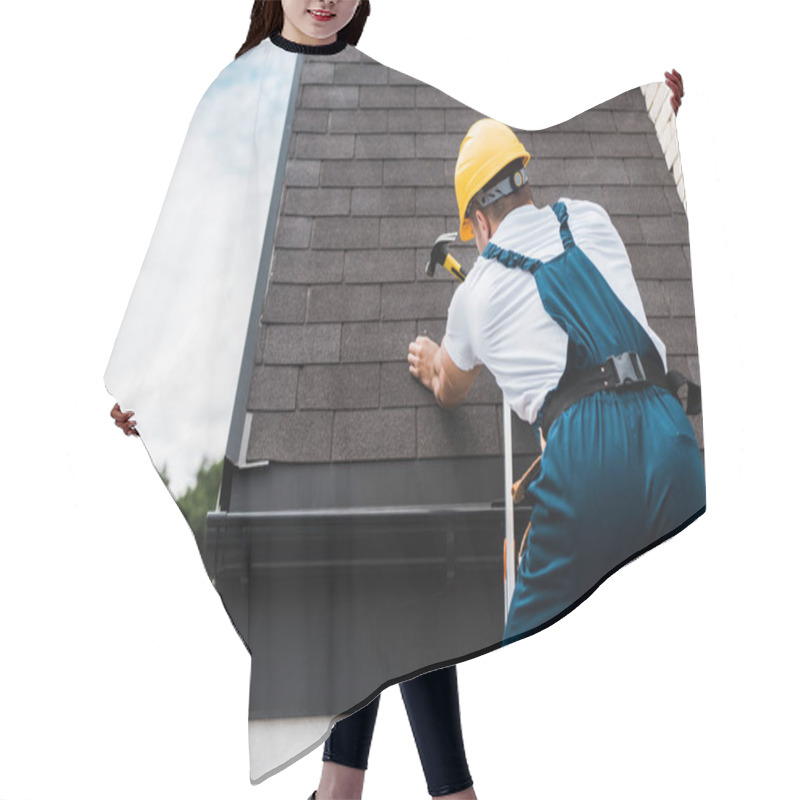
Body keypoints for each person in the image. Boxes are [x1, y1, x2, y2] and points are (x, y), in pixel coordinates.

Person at [110, 2, 476, 797]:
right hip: (286, 380)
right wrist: (154, 375)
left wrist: (644, 107)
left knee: (398, 581)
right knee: (363, 585)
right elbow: (196, 251)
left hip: (378, 373)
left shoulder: (383, 92)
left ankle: (351, 788)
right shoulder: (236, 92)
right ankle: (409, 789)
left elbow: (494, 168)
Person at [407, 117, 705, 643]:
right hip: (669, 429)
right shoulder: (590, 217)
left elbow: (448, 388)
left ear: (479, 224)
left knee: (528, 650)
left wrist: (434, 357)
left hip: (589, 461)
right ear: (523, 183)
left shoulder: (473, 296)